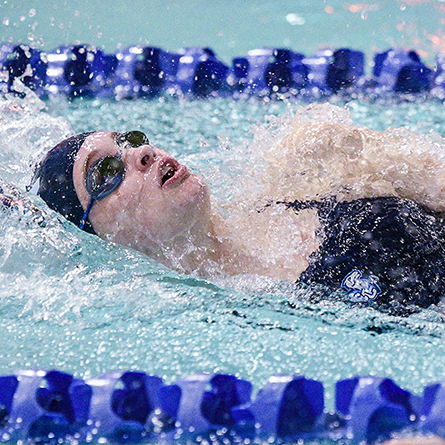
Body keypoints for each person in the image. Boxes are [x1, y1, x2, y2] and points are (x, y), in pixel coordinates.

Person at [30, 107, 445, 314]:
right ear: (99, 238)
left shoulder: (302, 167)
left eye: (130, 140)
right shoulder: (227, 317)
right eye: (105, 171)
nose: (141, 151)